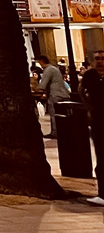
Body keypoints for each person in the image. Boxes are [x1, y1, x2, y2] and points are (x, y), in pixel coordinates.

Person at [74, 47, 104, 206]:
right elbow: (80, 90)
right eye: (97, 59)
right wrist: (89, 108)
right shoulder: (90, 76)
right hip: (99, 122)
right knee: (101, 157)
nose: (100, 62)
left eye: (102, 59)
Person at [35, 55, 71, 138]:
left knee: (54, 114)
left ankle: (56, 132)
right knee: (59, 114)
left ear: (42, 61)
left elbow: (43, 84)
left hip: (55, 95)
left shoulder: (48, 70)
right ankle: (61, 131)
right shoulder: (53, 68)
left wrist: (36, 89)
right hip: (61, 94)